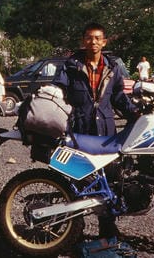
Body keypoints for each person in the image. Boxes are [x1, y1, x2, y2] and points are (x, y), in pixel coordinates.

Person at [53, 22, 138, 239]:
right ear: (83, 41)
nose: (93, 42)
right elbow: (58, 93)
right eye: (89, 38)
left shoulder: (113, 66)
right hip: (79, 128)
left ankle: (107, 227)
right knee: (76, 178)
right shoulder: (70, 66)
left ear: (104, 41)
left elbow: (118, 97)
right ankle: (72, 226)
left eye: (97, 38)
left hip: (105, 131)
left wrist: (135, 114)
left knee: (109, 180)